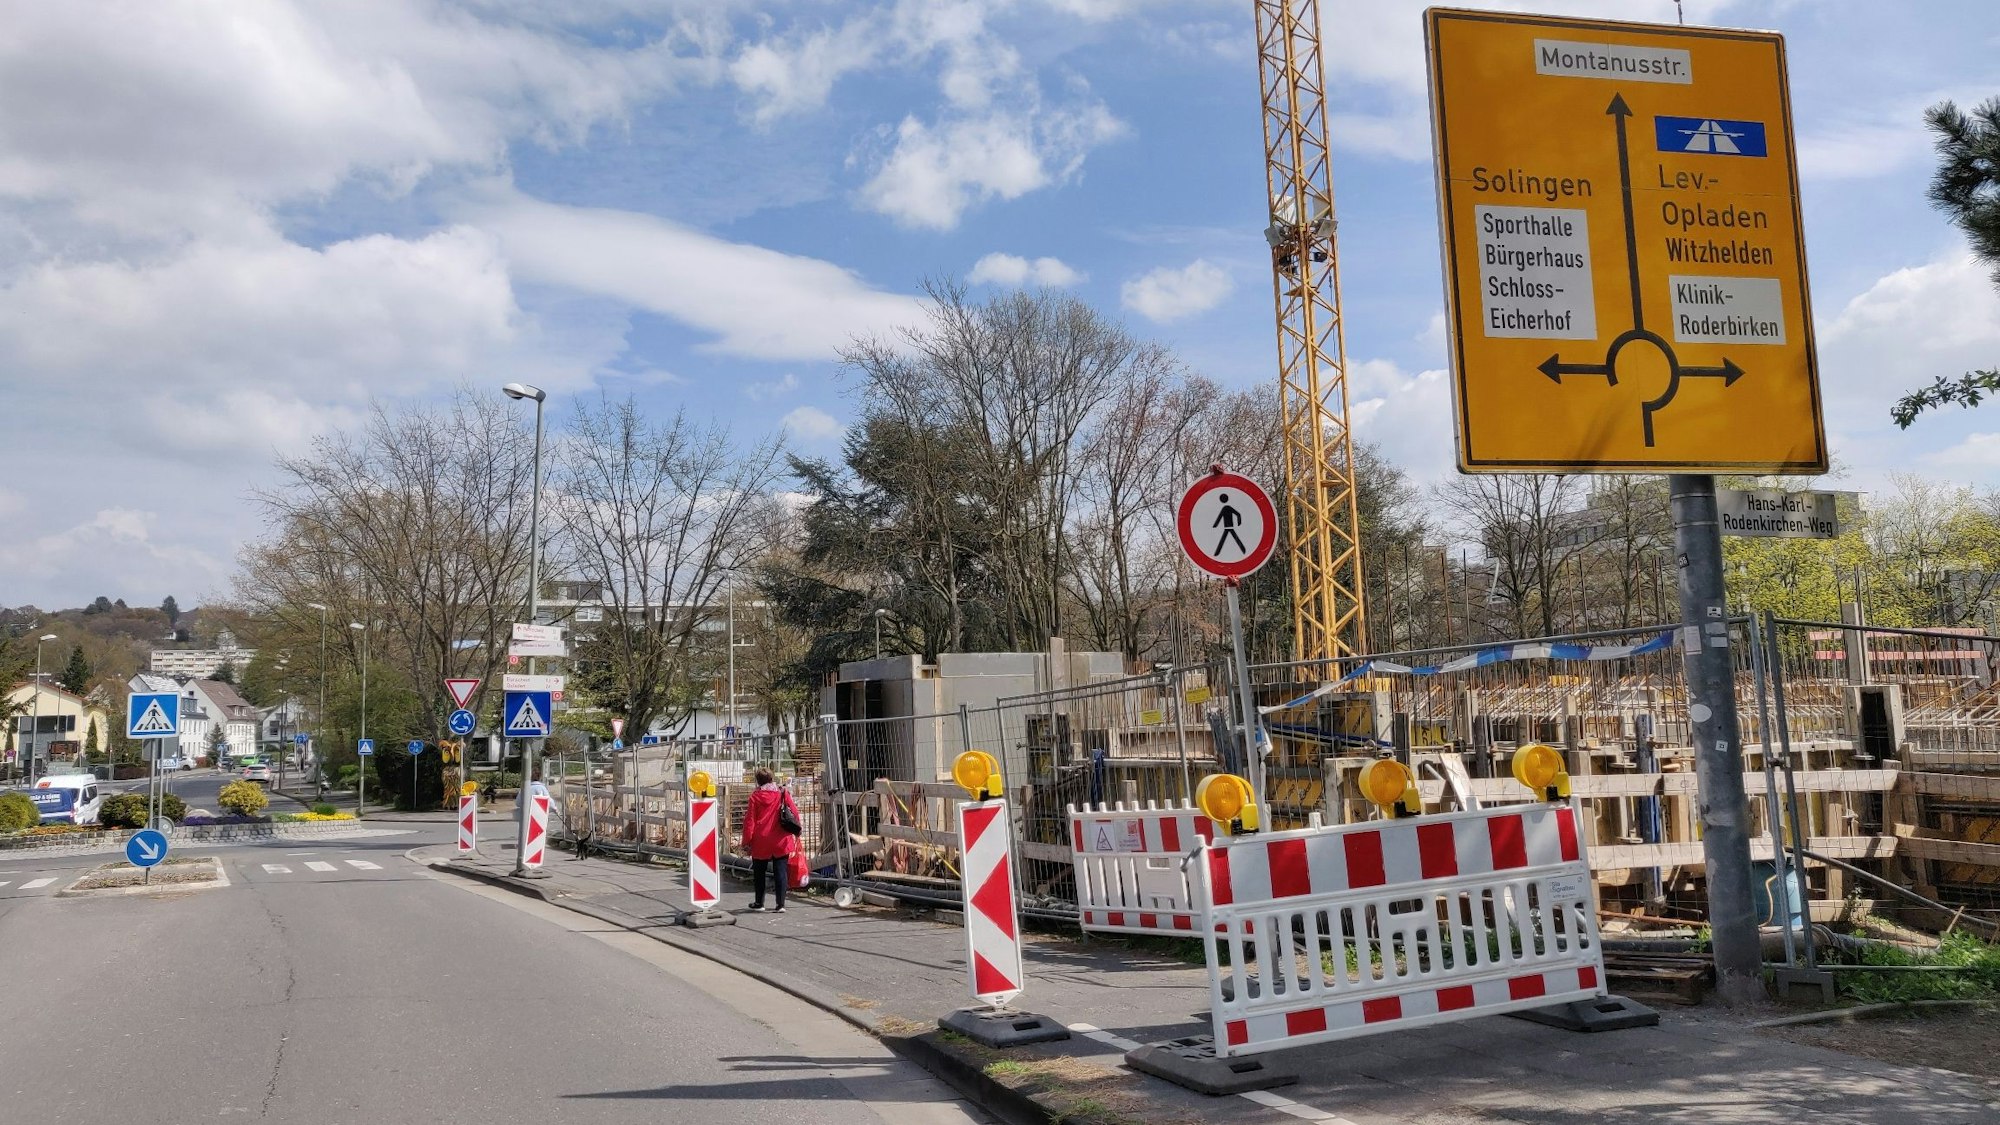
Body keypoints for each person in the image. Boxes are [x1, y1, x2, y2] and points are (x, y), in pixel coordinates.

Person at [739, 769, 799, 913]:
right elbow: (794, 812)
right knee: (781, 872)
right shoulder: (782, 793)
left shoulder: (755, 797)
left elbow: (750, 821)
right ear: (772, 778)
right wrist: (796, 830)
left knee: (759, 873)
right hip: (781, 839)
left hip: (761, 840)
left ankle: (759, 903)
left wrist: (746, 841)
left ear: (758, 781)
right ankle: (781, 905)